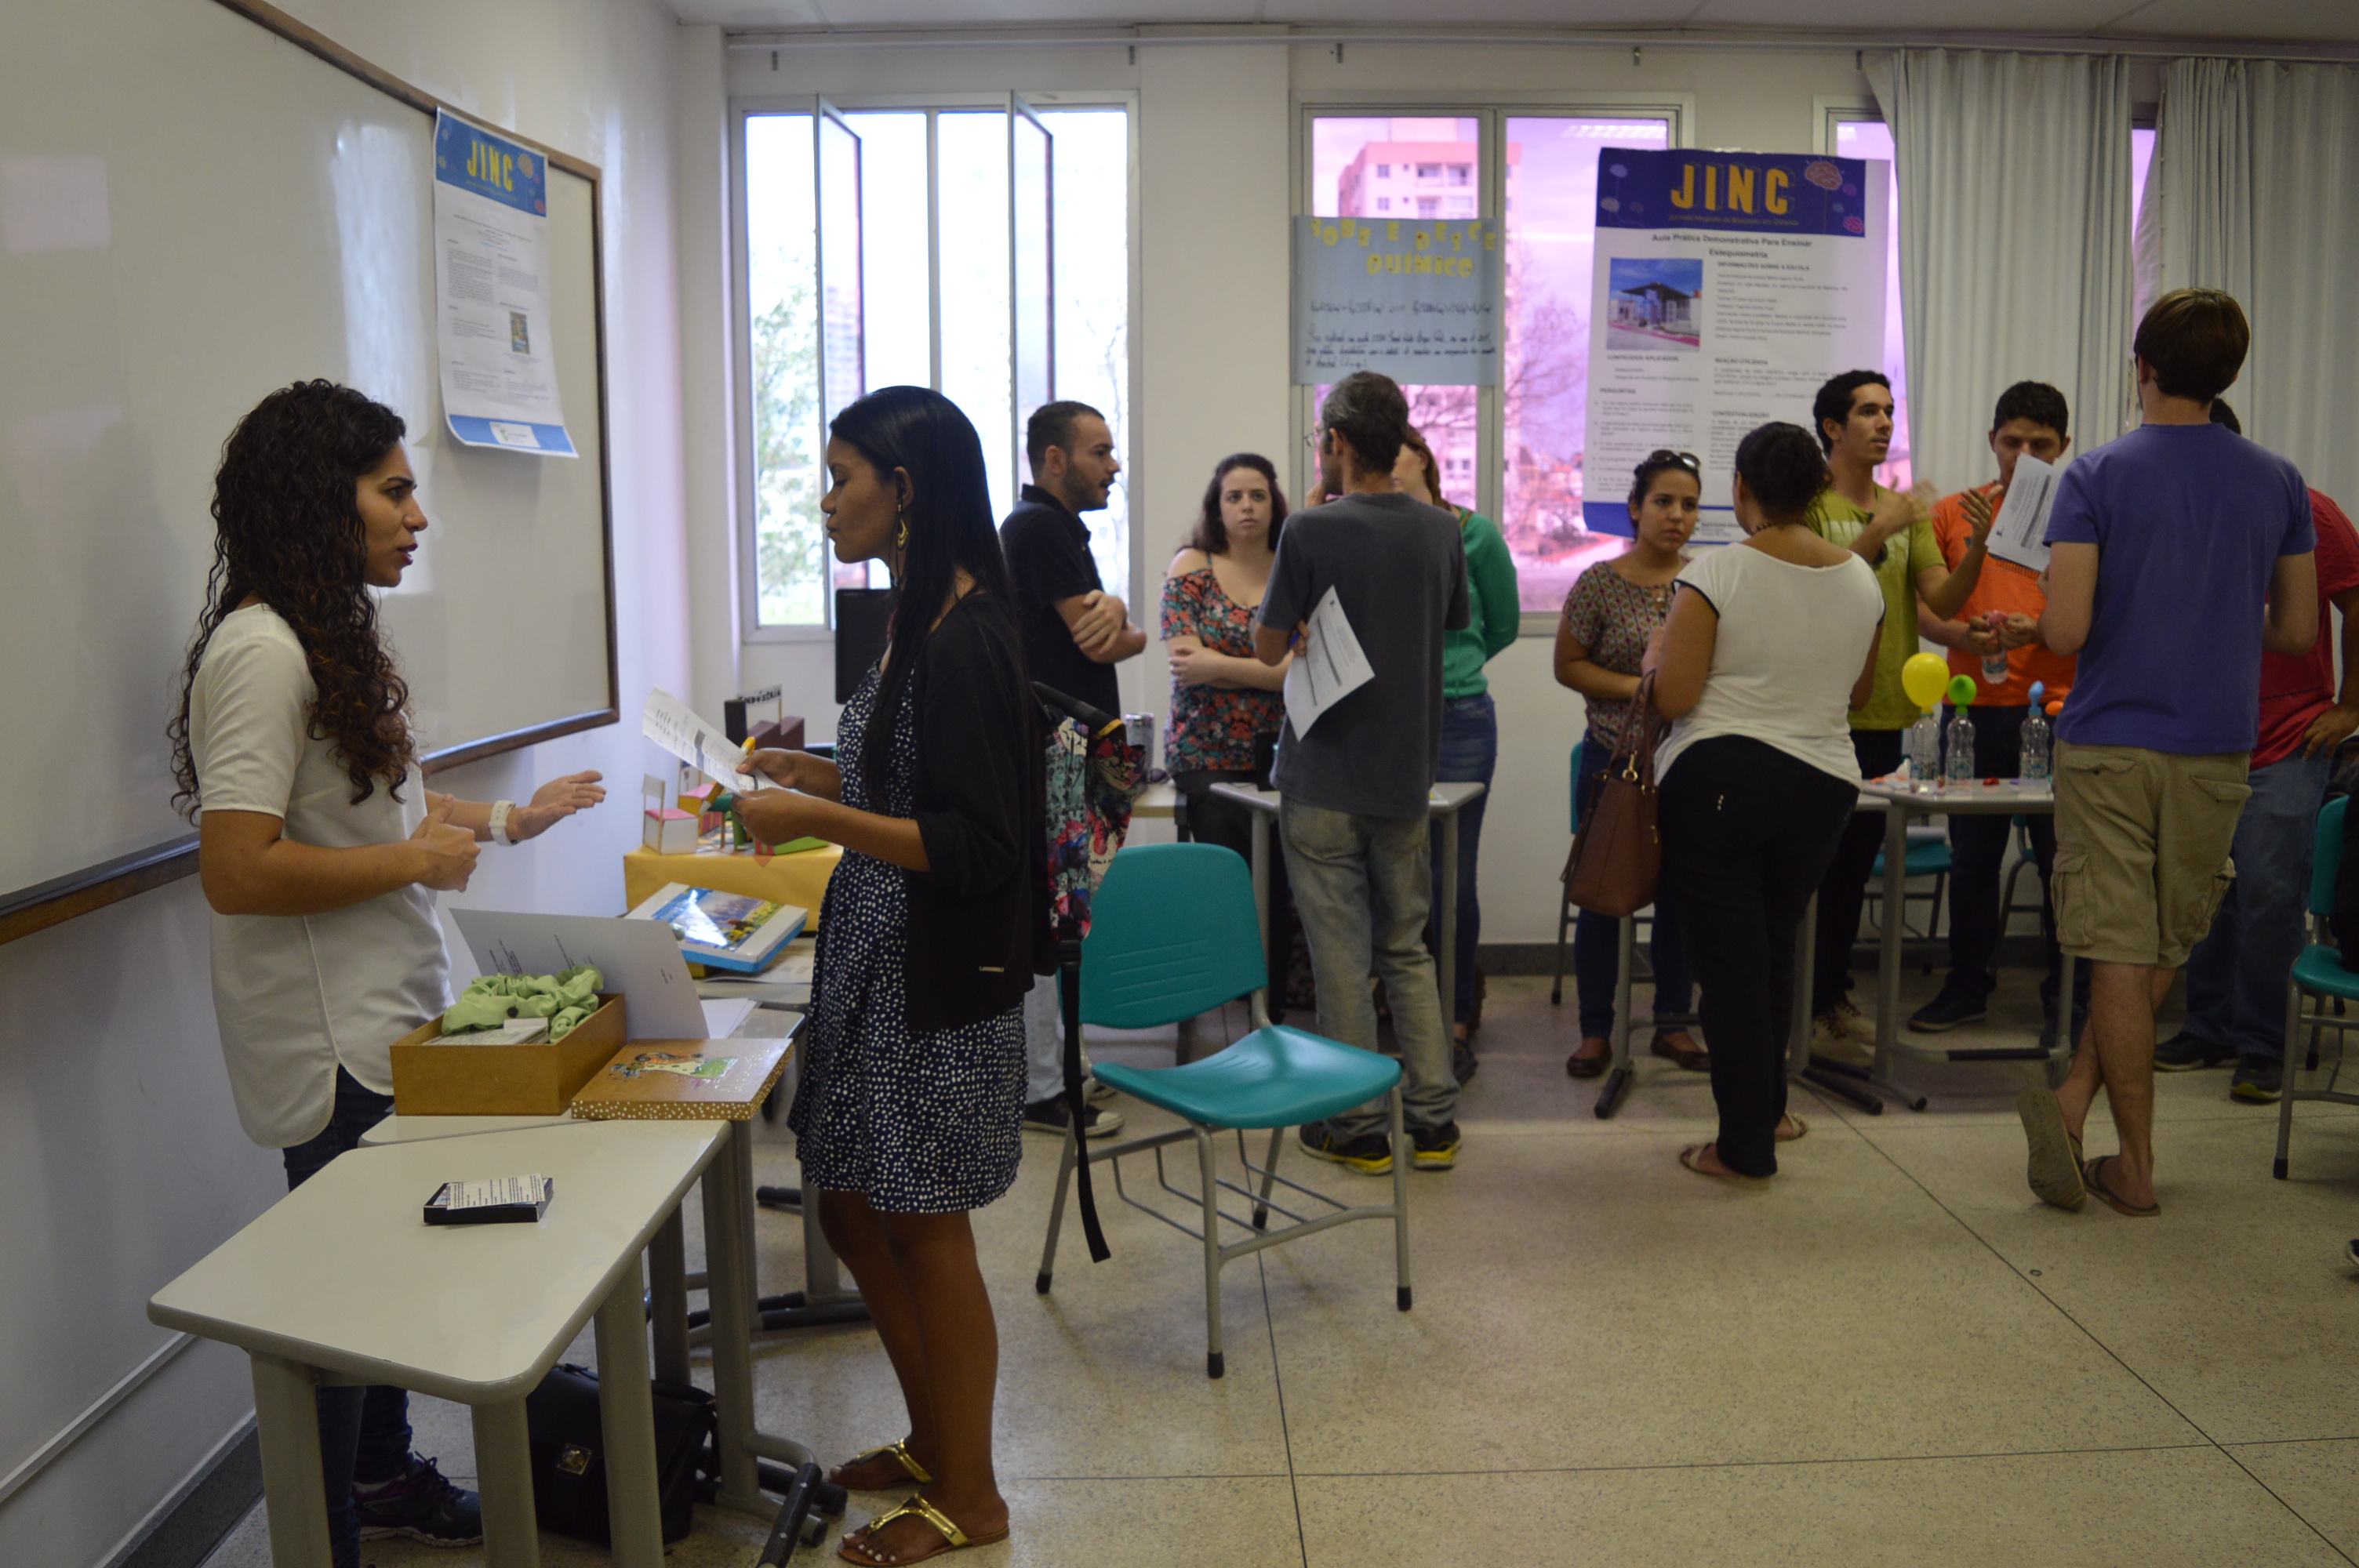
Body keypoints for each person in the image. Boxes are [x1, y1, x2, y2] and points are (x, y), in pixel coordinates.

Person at [173, 380, 607, 1567]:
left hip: (389, 1015)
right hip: (329, 1044)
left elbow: (385, 811)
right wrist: (417, 860)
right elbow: (236, 869)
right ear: (324, 500)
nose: (418, 517)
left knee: (390, 1282)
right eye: (395, 491)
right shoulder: (260, 654)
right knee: (341, 1312)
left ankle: (383, 1475)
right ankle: (330, 1539)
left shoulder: (326, 635)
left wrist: (511, 821)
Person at [733, 385, 1045, 1563]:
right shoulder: (919, 615)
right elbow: (909, 779)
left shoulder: (968, 636)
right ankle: (933, 1439)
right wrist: (817, 775)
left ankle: (973, 1496)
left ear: (903, 491)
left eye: (840, 478)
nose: (825, 502)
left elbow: (977, 843)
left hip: (932, 976)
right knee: (852, 1205)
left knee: (922, 1225)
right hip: (880, 964)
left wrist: (819, 821)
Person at [2016, 289, 2317, 1220]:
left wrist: (2068, 607)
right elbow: (2296, 629)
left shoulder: (2094, 474)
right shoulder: (2278, 481)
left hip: (2110, 740)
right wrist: (2210, 613)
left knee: (2116, 949)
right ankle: (2072, 1103)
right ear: (2227, 374)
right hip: (2218, 746)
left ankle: (2135, 1165)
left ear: (2140, 367)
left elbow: (2065, 631)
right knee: (2158, 945)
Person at [1648, 423, 1886, 1183]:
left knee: (1730, 969)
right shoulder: (1861, 578)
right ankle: (1769, 1114)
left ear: (1741, 488)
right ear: (1818, 489)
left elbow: (1675, 697)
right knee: (1774, 950)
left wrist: (1654, 661)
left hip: (1721, 777)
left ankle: (1742, 1148)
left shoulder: (1716, 572)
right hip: (1822, 783)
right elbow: (1856, 693)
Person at [1254, 371, 1469, 1174]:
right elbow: (1449, 623)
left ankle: (1356, 1127)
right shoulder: (1441, 529)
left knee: (1341, 958)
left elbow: (1267, 650)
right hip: (1405, 774)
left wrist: (1297, 614)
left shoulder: (1308, 530)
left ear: (1336, 441)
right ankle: (1435, 1121)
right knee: (1405, 947)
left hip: (1323, 774)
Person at [2153, 397, 2359, 1102]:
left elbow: (2357, 600)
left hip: (2291, 736)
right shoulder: (2175, 513)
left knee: (2271, 893)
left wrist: (2351, 707)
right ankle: (2207, 1026)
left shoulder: (2305, 507)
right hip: (2204, 733)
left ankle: (2264, 1041)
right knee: (2201, 890)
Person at [1799, 370, 1994, 1058]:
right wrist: (1879, 529)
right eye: (1867, 412)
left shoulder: (1901, 511)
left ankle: (1830, 999)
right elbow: (1814, 588)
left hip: (1888, 714)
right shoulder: (1810, 505)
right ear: (1832, 427)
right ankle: (1800, 1004)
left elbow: (1942, 603)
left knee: (1854, 868)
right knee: (1813, 869)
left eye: (1888, 411)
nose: (1884, 423)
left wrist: (1978, 548)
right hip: (1821, 713)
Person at [1910, 382, 2088, 1043]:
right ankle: (1966, 986)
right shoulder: (1953, 513)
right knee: (1972, 860)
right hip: (1972, 711)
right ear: (1992, 441)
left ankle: (2065, 1000)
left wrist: (2039, 630)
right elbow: (1925, 607)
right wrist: (1963, 635)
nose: (2024, 455)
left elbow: (2102, 612)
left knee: (2061, 862)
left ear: (2064, 447)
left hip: (2061, 712)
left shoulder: (2083, 517)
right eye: (2012, 442)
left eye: (2041, 444)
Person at [1000, 399, 1137, 1139]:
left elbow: (1110, 630)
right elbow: (1101, 641)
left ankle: (1058, 1069)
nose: (1113, 466)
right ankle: (1040, 1089)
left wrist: (1118, 611)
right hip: (1054, 750)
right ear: (1055, 460)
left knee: (1064, 917)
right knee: (1050, 919)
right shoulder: (1041, 527)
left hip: (1067, 750)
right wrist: (1120, 618)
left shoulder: (1052, 528)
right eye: (1099, 452)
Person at [1555, 449, 1707, 1080]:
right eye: (1663, 502)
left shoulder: (1705, 584)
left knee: (1682, 897)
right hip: (1614, 757)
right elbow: (1568, 666)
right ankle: (1596, 1030)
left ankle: (1672, 1022)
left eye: (1689, 505)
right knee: (1604, 895)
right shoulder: (1599, 582)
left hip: (1686, 759)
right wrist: (1642, 688)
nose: (1677, 516)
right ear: (1635, 510)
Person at [1394, 427, 1519, 1082]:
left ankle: (1456, 1016)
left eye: (1395, 451)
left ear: (1424, 459)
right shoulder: (1372, 530)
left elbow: (1504, 624)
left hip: (1461, 721)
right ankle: (1403, 1013)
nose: (1385, 465)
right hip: (1386, 720)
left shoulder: (1477, 535)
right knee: (1392, 872)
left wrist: (1455, 669)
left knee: (1452, 877)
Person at [1162, 452, 1295, 1006]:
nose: (1247, 507)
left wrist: (1219, 666)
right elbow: (1185, 661)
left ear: (1274, 504)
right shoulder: (1191, 564)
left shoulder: (1293, 566)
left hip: (1281, 753)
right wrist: (1269, 670)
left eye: (1258, 496)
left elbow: (1301, 672)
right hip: (1205, 753)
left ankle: (1275, 1010)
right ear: (1217, 507)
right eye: (1234, 497)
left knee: (1280, 887)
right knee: (1230, 881)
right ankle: (1232, 1002)